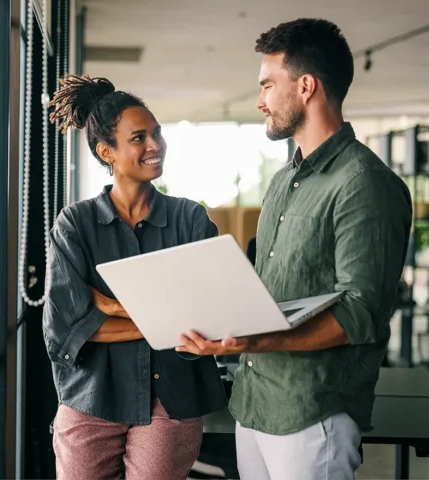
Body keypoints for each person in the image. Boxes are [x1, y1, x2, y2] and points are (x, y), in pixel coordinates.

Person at [176, 18, 412, 480]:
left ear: (306, 86)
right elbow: (269, 292)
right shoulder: (285, 180)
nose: (260, 100)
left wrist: (257, 340)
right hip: (255, 403)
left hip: (312, 414)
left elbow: (359, 313)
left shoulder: (365, 184)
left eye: (267, 85)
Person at [43, 74, 227, 480]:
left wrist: (111, 308)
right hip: (91, 398)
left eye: (157, 134)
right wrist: (167, 320)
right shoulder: (75, 224)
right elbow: (68, 328)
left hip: (171, 401)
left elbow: (210, 311)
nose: (155, 145)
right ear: (106, 151)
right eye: (139, 137)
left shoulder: (190, 219)